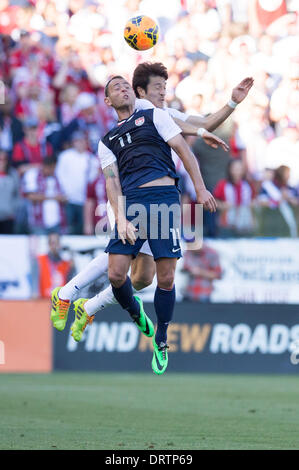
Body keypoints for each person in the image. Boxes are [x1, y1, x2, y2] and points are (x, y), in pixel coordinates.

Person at [50, 62, 253, 342]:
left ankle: (89, 306)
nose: (163, 92)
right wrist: (199, 133)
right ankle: (67, 293)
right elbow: (195, 129)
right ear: (140, 91)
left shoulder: (162, 113)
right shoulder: (142, 113)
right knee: (118, 260)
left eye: (165, 87)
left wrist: (231, 102)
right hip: (127, 194)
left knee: (143, 277)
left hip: (159, 199)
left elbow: (202, 125)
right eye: (157, 87)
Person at [22, 155, 67, 235]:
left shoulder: (58, 176)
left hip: (57, 221)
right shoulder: (32, 175)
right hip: (38, 222)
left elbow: (65, 196)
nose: (53, 170)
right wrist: (54, 197)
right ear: (46, 166)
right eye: (52, 168)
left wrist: (62, 198)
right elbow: (30, 196)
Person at [213, 158, 255, 237]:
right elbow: (214, 201)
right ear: (229, 169)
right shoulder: (223, 185)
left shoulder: (248, 185)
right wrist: (222, 205)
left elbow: (253, 201)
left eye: (240, 169)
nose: (237, 171)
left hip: (245, 224)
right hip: (227, 224)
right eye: (235, 168)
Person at [36, 232, 75, 299]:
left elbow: (71, 283)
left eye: (57, 243)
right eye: (52, 243)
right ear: (49, 244)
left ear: (60, 244)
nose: (55, 246)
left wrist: (72, 268)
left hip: (60, 303)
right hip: (43, 300)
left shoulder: (66, 264)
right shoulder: (40, 260)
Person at [0, 149, 20, 234]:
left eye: (4, 159)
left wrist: (13, 210)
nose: (2, 162)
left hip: (8, 216)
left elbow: (17, 195)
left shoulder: (13, 174)